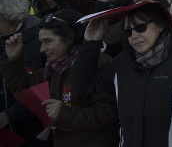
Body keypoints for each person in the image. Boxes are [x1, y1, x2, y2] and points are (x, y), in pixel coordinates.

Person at [71, 1, 172, 147]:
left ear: (160, 25)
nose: (134, 36)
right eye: (128, 32)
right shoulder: (123, 63)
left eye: (140, 27)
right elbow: (83, 84)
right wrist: (91, 42)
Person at [1, 10, 119, 147]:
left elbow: (107, 113)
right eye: (41, 42)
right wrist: (14, 59)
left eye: (48, 41)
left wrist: (63, 113)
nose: (42, 49)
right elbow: (25, 90)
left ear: (69, 38)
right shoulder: (54, 68)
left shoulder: (97, 63)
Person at [0, 0, 46, 141]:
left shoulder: (42, 36)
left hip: (37, 129)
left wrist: (10, 115)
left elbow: (48, 86)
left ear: (7, 15)